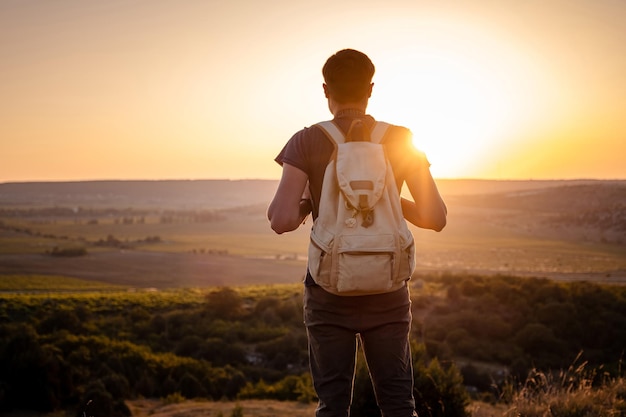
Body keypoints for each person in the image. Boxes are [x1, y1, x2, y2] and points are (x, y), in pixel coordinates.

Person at [267, 49, 447, 417]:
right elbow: (436, 216)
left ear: (325, 89)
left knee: (332, 406)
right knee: (398, 403)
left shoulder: (307, 141)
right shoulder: (400, 138)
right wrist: (391, 200)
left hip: (328, 291)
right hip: (388, 287)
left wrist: (310, 205)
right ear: (370, 88)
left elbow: (281, 220)